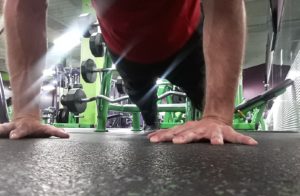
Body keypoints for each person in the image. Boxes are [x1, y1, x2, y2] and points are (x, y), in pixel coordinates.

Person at [0, 0, 257, 145]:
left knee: (210, 107)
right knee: (143, 103)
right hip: (128, 51)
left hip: (188, 42)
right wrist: (25, 113)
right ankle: (151, 121)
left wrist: (218, 117)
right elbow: (25, 5)